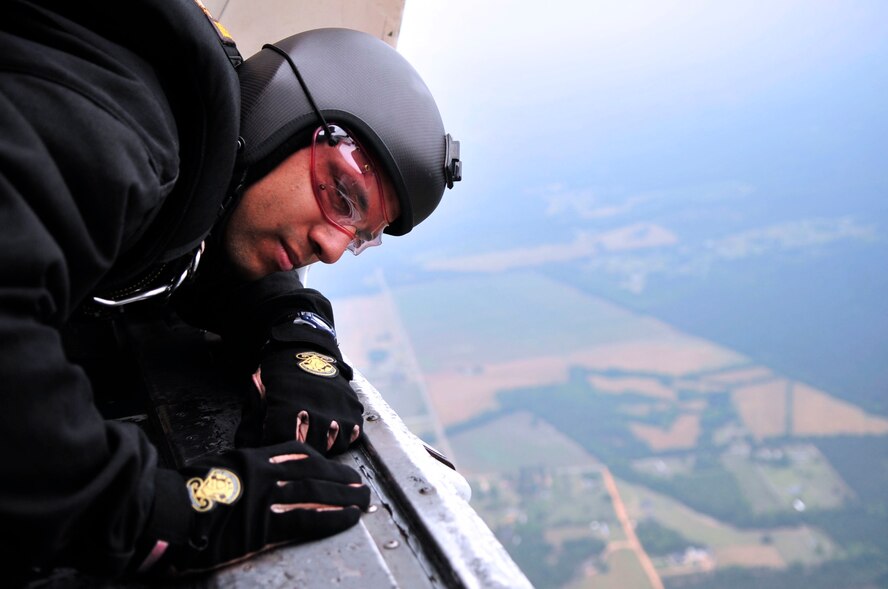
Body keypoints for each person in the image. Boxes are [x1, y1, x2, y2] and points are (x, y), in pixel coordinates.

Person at [0, 0, 462, 582]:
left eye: (361, 234)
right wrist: (150, 512)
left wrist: (295, 331)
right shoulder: (123, 123)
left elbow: (195, 258)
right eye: (342, 195)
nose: (334, 247)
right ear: (284, 120)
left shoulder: (187, 166)